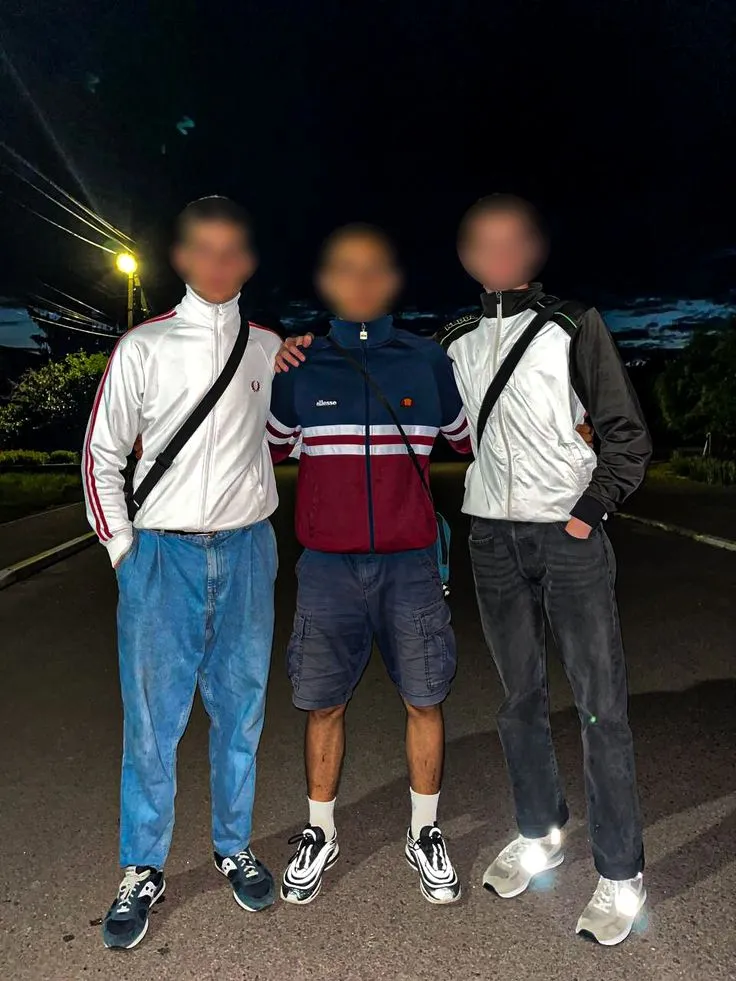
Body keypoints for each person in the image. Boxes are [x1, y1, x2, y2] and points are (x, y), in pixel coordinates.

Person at [436, 194, 652, 946]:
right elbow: (408, 403)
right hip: (491, 538)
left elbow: (627, 434)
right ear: (467, 255)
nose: (499, 255)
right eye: (483, 243)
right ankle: (540, 831)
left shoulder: (573, 324)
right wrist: (300, 353)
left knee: (600, 705)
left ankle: (621, 872)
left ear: (534, 251)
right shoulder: (455, 340)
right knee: (519, 699)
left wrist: (587, 511)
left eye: (513, 242)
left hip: (567, 535)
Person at [83, 196, 283, 950]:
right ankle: (142, 867)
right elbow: (101, 454)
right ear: (182, 257)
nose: (219, 263)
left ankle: (234, 845)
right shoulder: (144, 347)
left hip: (247, 551)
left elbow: (280, 434)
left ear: (249, 259)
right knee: (151, 725)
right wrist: (123, 551)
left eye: (233, 249)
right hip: (162, 557)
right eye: (205, 248)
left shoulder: (266, 347)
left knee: (242, 714)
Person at [266, 224, 472, 906]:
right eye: (344, 269)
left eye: (374, 268)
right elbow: (263, 449)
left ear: (393, 281)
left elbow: (473, 436)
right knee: (322, 702)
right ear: (325, 281)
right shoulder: (299, 367)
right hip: (327, 567)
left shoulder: (428, 361)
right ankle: (320, 831)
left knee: (425, 697)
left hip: (411, 563)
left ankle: (424, 831)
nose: (359, 281)